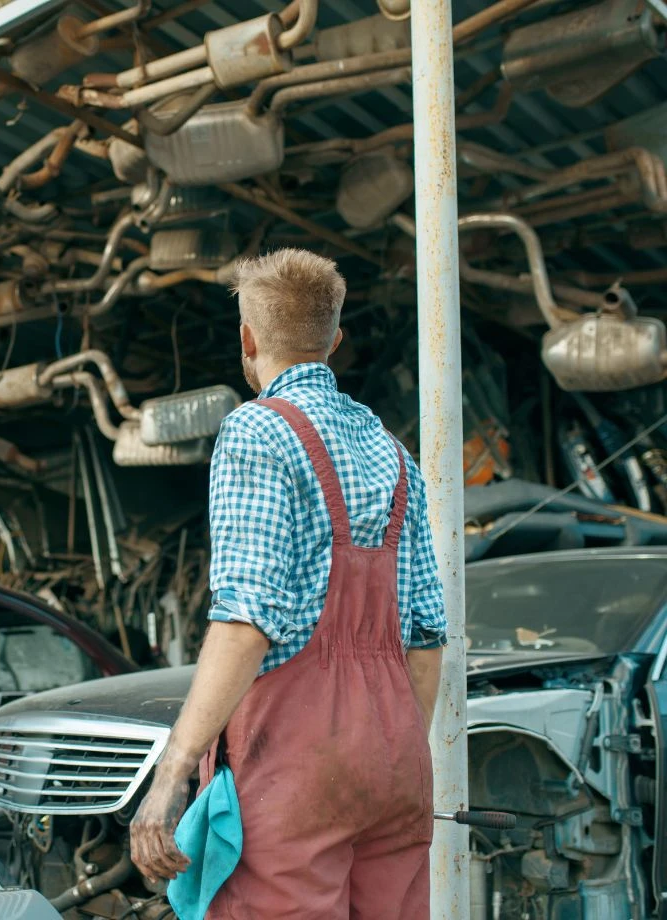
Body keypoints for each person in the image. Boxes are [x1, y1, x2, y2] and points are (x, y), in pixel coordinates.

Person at [129, 248, 447, 919]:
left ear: (248, 341)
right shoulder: (394, 454)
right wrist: (393, 751)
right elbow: (425, 636)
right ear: (334, 341)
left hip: (297, 765)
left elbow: (247, 621)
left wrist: (173, 771)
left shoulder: (256, 431)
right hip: (397, 757)